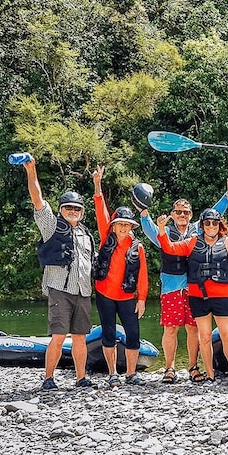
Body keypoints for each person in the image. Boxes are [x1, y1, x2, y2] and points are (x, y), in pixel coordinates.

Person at [138, 179, 228, 384]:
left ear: (191, 215)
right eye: (178, 212)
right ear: (173, 214)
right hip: (171, 286)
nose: (182, 215)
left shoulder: (198, 230)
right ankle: (169, 368)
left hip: (194, 287)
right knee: (171, 328)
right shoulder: (162, 231)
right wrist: (142, 211)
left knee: (194, 329)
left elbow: (214, 214)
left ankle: (193, 366)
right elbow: (147, 225)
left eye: (186, 212)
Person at [157, 207, 228, 384]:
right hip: (198, 296)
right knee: (205, 335)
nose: (211, 226)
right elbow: (170, 248)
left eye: (214, 223)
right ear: (202, 225)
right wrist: (162, 229)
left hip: (222, 296)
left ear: (219, 225)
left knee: (226, 334)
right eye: (207, 223)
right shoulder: (191, 242)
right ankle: (209, 373)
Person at [22, 157, 96, 390]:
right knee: (58, 336)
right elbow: (38, 200)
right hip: (60, 290)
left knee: (81, 337)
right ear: (62, 209)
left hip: (83, 291)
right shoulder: (51, 226)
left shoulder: (86, 233)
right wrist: (31, 171)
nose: (73, 211)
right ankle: (48, 379)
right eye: (68, 208)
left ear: (82, 212)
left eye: (77, 208)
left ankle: (81, 378)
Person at [92, 166, 149, 387]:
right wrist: (98, 184)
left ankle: (132, 373)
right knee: (108, 334)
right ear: (114, 226)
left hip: (127, 297)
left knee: (133, 334)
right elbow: (100, 209)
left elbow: (143, 274)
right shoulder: (106, 236)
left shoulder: (138, 247)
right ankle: (113, 373)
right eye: (120, 224)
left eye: (127, 224)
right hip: (105, 294)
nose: (124, 227)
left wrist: (142, 298)